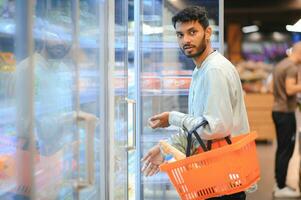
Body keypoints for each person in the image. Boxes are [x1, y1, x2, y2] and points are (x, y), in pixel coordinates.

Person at [141, 6, 249, 200]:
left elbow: (214, 127)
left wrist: (172, 117)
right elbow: (199, 125)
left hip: (224, 179)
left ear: (208, 33)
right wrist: (164, 149)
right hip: (215, 175)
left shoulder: (214, 70)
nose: (186, 40)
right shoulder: (202, 69)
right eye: (180, 35)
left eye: (192, 32)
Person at [272, 41, 301, 198]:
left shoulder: (281, 64)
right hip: (285, 113)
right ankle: (281, 186)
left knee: (282, 148)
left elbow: (273, 87)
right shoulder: (291, 67)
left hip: (278, 110)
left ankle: (279, 182)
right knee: (286, 150)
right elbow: (290, 89)